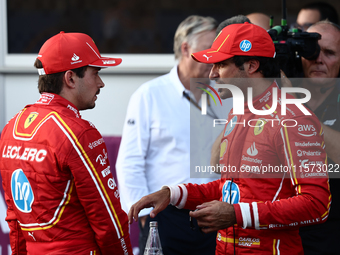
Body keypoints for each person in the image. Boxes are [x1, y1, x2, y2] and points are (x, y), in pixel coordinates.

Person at [128, 22, 331, 254]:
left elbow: (317, 205)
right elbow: (232, 188)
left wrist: (236, 214)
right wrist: (173, 194)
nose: (212, 74)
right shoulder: (237, 112)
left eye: (221, 65)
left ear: (252, 65)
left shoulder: (293, 118)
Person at [0, 32, 132, 254]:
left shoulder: (11, 127)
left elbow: (14, 220)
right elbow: (107, 220)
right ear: (70, 78)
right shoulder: (79, 133)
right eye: (95, 73)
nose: (101, 83)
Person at [115, 15, 224, 255]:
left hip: (215, 217)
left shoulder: (225, 96)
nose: (214, 59)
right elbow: (130, 161)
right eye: (209, 50)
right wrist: (145, 217)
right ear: (186, 48)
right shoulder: (149, 95)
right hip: (165, 217)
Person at [293, 20, 340, 255]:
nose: (319, 59)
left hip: (331, 236)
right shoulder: (277, 94)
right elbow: (218, 161)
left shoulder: (287, 100)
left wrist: (292, 106)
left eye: (330, 53)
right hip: (280, 232)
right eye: (311, 50)